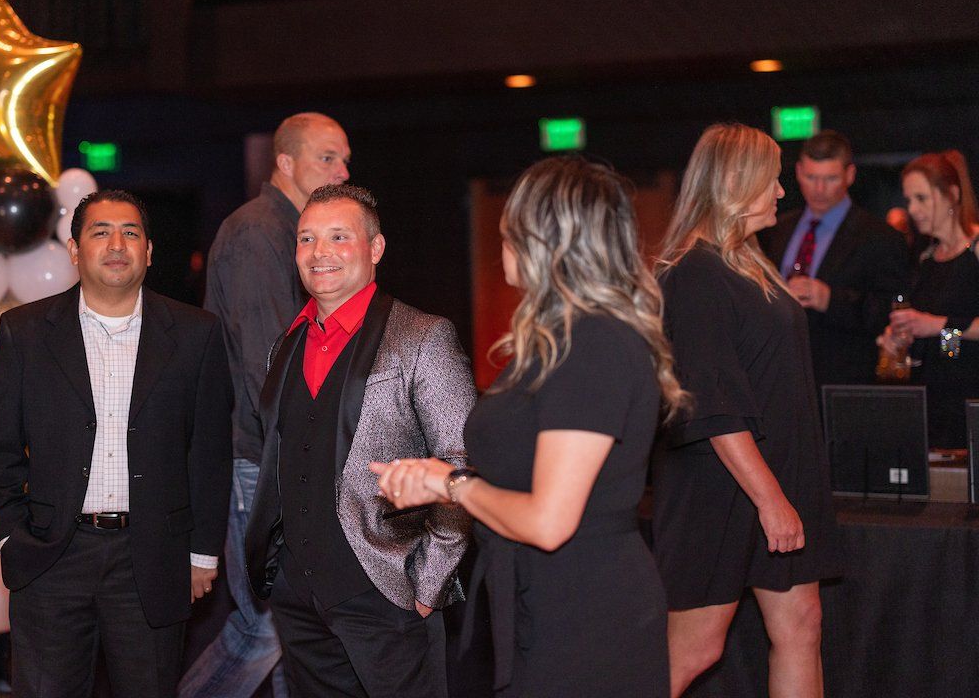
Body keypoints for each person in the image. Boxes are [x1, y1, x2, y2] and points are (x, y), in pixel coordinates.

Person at [372, 157, 684, 697]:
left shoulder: (595, 345)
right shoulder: (557, 344)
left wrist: (448, 484)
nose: (503, 241)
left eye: (512, 230)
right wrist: (437, 475)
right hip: (542, 599)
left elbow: (549, 521)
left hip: (587, 612)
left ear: (549, 241)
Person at [0, 189, 233, 697]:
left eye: (130, 233)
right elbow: (0, 450)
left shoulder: (195, 333)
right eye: (100, 232)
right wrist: (11, 535)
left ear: (149, 252)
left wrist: (203, 554)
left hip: (154, 560)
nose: (117, 244)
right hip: (50, 556)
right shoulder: (26, 332)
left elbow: (209, 454)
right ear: (75, 251)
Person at [244, 184, 473, 698]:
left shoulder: (422, 337)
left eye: (338, 237)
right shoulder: (286, 343)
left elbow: (463, 464)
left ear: (375, 248)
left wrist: (428, 585)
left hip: (387, 590)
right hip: (298, 599)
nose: (319, 253)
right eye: (306, 239)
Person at [653, 124, 841, 698]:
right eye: (773, 178)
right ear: (734, 183)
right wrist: (772, 500)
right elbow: (713, 403)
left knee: (802, 624)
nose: (783, 192)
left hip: (775, 472)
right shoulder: (693, 272)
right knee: (693, 650)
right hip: (724, 485)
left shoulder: (748, 262)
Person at [182, 111, 349, 698]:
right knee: (269, 628)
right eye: (327, 158)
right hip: (265, 461)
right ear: (285, 162)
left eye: (345, 159)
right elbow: (268, 371)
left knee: (291, 631)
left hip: (277, 458)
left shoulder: (297, 233)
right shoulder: (258, 233)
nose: (342, 170)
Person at [758, 130, 909, 390]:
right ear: (797, 172)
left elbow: (891, 310)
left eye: (830, 179)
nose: (818, 189)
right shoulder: (776, 229)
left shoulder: (879, 237)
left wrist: (830, 298)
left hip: (844, 380)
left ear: (849, 175)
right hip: (781, 375)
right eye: (811, 177)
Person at [880, 151, 979, 449]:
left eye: (921, 198)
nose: (913, 209)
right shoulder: (927, 259)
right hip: (934, 395)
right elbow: (949, 339)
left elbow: (945, 327)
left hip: (971, 396)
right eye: (909, 200)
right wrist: (899, 338)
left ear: (951, 195)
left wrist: (936, 325)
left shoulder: (975, 250)